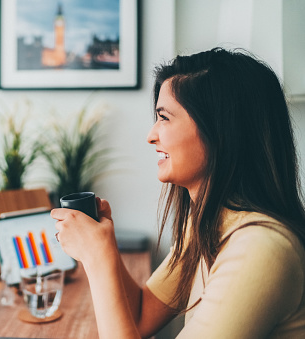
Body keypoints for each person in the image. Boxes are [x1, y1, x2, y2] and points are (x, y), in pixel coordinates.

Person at [51, 47, 305, 338]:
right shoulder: (207, 223)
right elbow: (141, 315)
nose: (151, 135)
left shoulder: (261, 248)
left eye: (165, 118)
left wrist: (97, 260)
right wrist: (105, 248)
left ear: (220, 132)